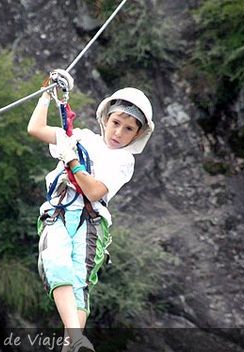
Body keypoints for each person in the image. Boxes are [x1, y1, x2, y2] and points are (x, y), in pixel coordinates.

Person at [27, 69, 154, 352]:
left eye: (129, 128)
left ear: (138, 134)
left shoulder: (123, 160)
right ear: (105, 120)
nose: (119, 133)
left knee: (79, 281)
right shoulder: (82, 137)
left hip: (91, 221)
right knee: (54, 262)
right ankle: (74, 339)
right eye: (116, 123)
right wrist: (48, 92)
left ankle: (72, 341)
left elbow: (95, 191)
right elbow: (36, 129)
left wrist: (73, 162)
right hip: (58, 211)